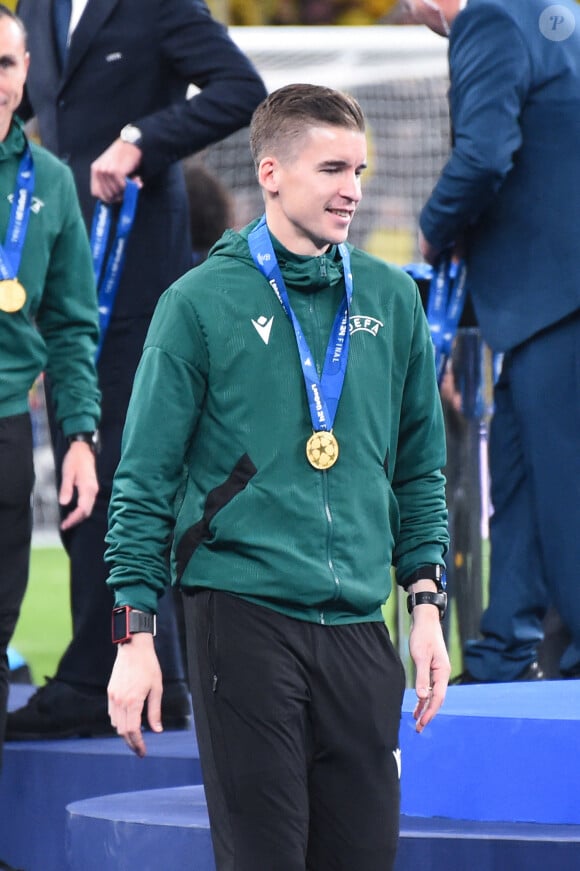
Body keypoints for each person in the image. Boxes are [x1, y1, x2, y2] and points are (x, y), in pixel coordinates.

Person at [106, 83, 450, 871]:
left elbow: (421, 469)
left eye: (358, 170)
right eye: (332, 168)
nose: (352, 190)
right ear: (270, 172)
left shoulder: (394, 299)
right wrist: (133, 634)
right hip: (243, 615)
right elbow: (145, 481)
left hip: (365, 628)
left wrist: (425, 606)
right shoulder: (197, 303)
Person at [6, 0, 267, 740]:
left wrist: (140, 141)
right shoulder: (37, 8)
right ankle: (163, 675)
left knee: (122, 457)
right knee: (90, 455)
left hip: (136, 264)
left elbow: (241, 88)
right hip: (64, 260)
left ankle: (103, 674)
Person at [407, 0, 580, 682]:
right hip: (546, 303)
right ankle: (503, 647)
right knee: (521, 471)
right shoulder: (552, 12)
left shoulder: (488, 20)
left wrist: (432, 226)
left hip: (557, 296)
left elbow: (484, 154)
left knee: (561, 482)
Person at [0, 5, 99, 866]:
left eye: (3, 63)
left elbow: (72, 325)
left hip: (7, 434)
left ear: (25, 71)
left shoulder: (51, 181)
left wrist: (79, 437)